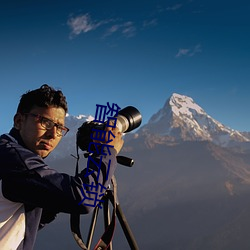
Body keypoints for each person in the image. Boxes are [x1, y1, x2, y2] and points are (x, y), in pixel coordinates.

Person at [0, 84, 124, 250]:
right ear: (19, 121)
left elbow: (23, 223)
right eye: (45, 122)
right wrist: (107, 153)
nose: (53, 134)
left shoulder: (11, 153)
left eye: (59, 128)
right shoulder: (14, 159)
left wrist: (54, 197)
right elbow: (85, 198)